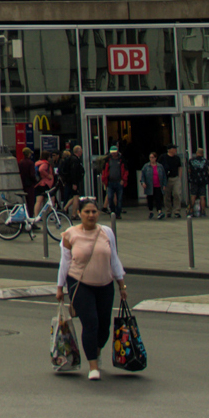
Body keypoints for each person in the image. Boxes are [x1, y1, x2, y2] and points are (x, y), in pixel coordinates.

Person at [56, 199, 129, 381]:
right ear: (79, 213)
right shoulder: (70, 235)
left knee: (104, 327)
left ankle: (95, 351)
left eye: (94, 212)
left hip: (105, 284)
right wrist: (59, 287)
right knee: (91, 323)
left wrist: (121, 284)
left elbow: (114, 259)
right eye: (87, 212)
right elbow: (64, 263)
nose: (91, 215)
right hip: (80, 284)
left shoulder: (107, 232)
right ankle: (93, 366)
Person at [99, 151, 126, 219]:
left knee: (119, 199)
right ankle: (113, 211)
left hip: (119, 182)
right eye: (112, 153)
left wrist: (123, 179)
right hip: (110, 182)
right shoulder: (108, 160)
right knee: (110, 197)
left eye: (115, 152)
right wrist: (104, 180)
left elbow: (125, 170)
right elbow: (104, 171)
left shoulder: (121, 160)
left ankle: (118, 213)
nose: (113, 154)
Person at [142, 152, 165, 220]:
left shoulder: (160, 166)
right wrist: (143, 182)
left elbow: (163, 176)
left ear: (155, 158)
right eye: (150, 157)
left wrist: (164, 184)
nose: (151, 159)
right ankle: (151, 211)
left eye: (152, 157)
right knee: (150, 199)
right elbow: (143, 175)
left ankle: (159, 211)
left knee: (158, 199)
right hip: (149, 186)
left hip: (158, 185)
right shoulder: (146, 166)